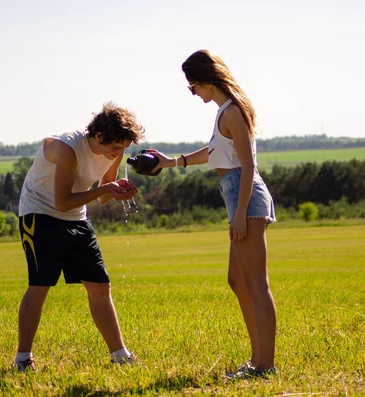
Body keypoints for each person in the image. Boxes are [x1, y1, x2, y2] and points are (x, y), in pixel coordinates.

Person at [148, 50, 277, 378]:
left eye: (192, 87)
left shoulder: (232, 111)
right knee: (237, 280)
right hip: (236, 196)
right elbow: (216, 152)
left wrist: (239, 214)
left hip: (245, 197)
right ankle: (256, 360)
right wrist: (171, 162)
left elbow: (248, 167)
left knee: (257, 283)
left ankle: (265, 366)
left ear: (205, 81)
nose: (193, 93)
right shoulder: (225, 111)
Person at [13, 102, 143, 371]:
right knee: (40, 285)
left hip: (76, 217)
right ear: (98, 136)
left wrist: (117, 189)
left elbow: (104, 196)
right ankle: (22, 359)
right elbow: (62, 201)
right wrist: (104, 189)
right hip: (39, 213)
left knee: (100, 285)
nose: (118, 153)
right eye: (115, 147)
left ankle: (120, 356)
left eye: (123, 148)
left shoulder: (114, 151)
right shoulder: (68, 147)